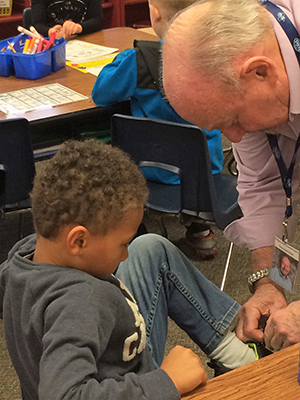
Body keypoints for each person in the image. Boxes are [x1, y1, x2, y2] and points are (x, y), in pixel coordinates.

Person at [0, 139, 259, 400]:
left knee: (151, 249)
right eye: (122, 244)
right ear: (78, 240)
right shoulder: (79, 303)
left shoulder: (24, 256)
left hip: (119, 361)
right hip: (136, 386)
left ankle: (235, 357)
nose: (125, 255)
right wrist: (166, 382)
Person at [162, 0, 300, 352]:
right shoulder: (262, 65)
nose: (234, 138)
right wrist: (270, 283)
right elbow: (264, 184)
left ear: (260, 71)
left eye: (232, 120)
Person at [92, 0, 224, 259]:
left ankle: (134, 228)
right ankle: (200, 230)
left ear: (154, 13)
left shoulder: (137, 60)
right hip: (205, 174)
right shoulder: (216, 56)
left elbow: (101, 93)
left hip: (150, 171)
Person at [31, 0, 103, 39]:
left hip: (83, 41)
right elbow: (37, 24)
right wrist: (49, 32)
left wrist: (79, 27)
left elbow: (98, 20)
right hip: (51, 45)